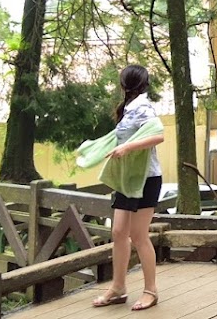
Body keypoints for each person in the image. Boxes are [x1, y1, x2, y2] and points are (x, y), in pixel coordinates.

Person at [92, 65, 166, 310]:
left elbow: (158, 135)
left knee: (139, 235)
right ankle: (118, 287)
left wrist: (126, 148)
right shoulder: (129, 108)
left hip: (146, 179)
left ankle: (150, 290)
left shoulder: (143, 106)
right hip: (128, 178)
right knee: (119, 232)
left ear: (125, 84)